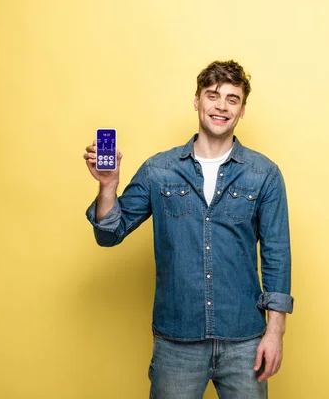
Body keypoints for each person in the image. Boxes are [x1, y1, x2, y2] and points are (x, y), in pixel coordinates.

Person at [83, 60, 293, 398]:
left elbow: (276, 255)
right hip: (176, 342)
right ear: (197, 101)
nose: (221, 106)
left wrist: (275, 332)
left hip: (244, 341)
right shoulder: (159, 170)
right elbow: (109, 234)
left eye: (232, 99)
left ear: (242, 110)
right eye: (213, 95)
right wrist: (108, 185)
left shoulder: (263, 174)